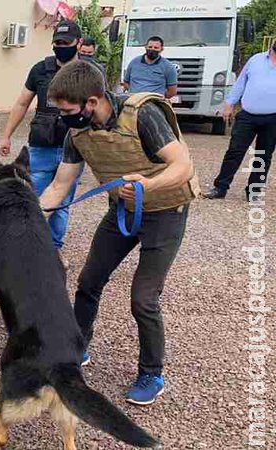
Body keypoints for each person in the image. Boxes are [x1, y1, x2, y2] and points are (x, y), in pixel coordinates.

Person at [40, 61, 199, 406]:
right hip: (122, 212)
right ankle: (76, 349)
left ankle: (152, 374)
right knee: (88, 281)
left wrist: (150, 184)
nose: (64, 117)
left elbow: (183, 164)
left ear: (93, 102)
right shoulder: (76, 134)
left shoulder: (142, 115)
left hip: (166, 213)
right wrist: (29, 219)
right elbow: (58, 187)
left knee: (143, 298)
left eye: (68, 111)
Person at [0, 20, 99, 261]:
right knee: (34, 196)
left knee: (62, 201)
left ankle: (52, 248)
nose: (61, 47)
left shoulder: (90, 72)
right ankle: (29, 244)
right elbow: (22, 102)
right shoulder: (40, 70)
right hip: (41, 146)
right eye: (57, 43)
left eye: (67, 43)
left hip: (73, 148)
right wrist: (6, 135)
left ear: (79, 43)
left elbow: (99, 109)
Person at [204, 41, 276, 201]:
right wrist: (229, 104)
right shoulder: (256, 59)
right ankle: (220, 187)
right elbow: (240, 83)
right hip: (248, 115)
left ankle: (254, 191)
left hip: (273, 118)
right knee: (234, 152)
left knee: (264, 155)